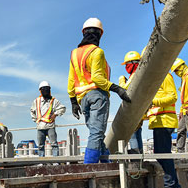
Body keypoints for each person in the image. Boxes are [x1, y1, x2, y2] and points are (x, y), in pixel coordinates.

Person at [67, 17, 131, 164]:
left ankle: (106, 162)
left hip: (82, 99)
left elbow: (71, 80)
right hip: (97, 96)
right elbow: (96, 78)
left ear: (83, 33)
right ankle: (88, 167)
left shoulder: (74, 54)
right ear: (100, 34)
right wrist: (117, 89)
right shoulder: (97, 52)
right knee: (96, 133)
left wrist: (73, 101)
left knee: (96, 133)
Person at [147, 72, 181, 188]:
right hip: (159, 121)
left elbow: (172, 97)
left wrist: (152, 101)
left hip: (165, 120)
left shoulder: (164, 75)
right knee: (161, 154)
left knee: (163, 154)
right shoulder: (154, 79)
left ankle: (170, 187)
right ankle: (174, 186)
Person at [30, 81, 66, 156]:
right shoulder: (36, 101)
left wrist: (55, 114)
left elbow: (62, 108)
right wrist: (36, 120)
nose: (46, 90)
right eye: (44, 89)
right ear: (40, 90)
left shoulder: (53, 101)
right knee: (40, 146)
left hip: (50, 126)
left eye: (47, 89)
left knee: (54, 144)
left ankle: (55, 161)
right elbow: (32, 111)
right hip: (40, 127)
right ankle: (41, 162)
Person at [119, 51, 144, 154]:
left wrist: (121, 80)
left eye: (127, 64)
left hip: (134, 111)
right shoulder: (140, 73)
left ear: (133, 63)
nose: (126, 67)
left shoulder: (135, 74)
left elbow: (125, 90)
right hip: (138, 110)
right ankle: (140, 159)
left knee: (132, 135)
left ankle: (136, 160)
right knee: (137, 134)